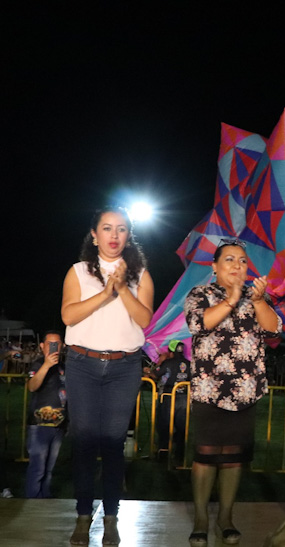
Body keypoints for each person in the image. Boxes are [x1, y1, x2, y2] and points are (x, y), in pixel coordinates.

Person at [61, 206, 154, 546]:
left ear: (129, 236)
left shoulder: (140, 273)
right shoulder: (78, 272)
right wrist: (104, 294)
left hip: (124, 367)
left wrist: (123, 288)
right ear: (94, 234)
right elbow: (68, 316)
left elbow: (144, 321)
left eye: (122, 229)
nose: (114, 235)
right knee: (85, 442)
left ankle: (112, 518)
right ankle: (83, 517)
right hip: (83, 365)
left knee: (114, 443)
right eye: (107, 228)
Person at [185, 238, 281, 547]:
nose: (237, 265)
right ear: (214, 268)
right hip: (209, 389)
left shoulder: (254, 299)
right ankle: (201, 518)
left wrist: (258, 300)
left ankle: (226, 517)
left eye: (242, 260)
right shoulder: (200, 294)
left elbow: (273, 329)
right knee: (206, 455)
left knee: (233, 458)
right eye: (229, 260)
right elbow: (199, 324)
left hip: (245, 390)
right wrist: (232, 298)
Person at [25, 331, 67, 498]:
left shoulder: (64, 367)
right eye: (50, 343)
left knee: (49, 469)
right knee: (38, 468)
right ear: (42, 346)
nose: (53, 347)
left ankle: (45, 500)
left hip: (59, 425)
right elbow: (32, 386)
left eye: (57, 343)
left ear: (62, 346)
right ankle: (33, 503)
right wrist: (46, 366)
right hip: (39, 424)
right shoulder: (38, 364)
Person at [153, 340, 190, 461]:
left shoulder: (168, 362)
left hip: (168, 396)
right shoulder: (189, 364)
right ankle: (180, 454)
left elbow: (155, 375)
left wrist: (160, 362)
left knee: (164, 425)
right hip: (184, 397)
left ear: (171, 351)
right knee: (181, 427)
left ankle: (163, 452)